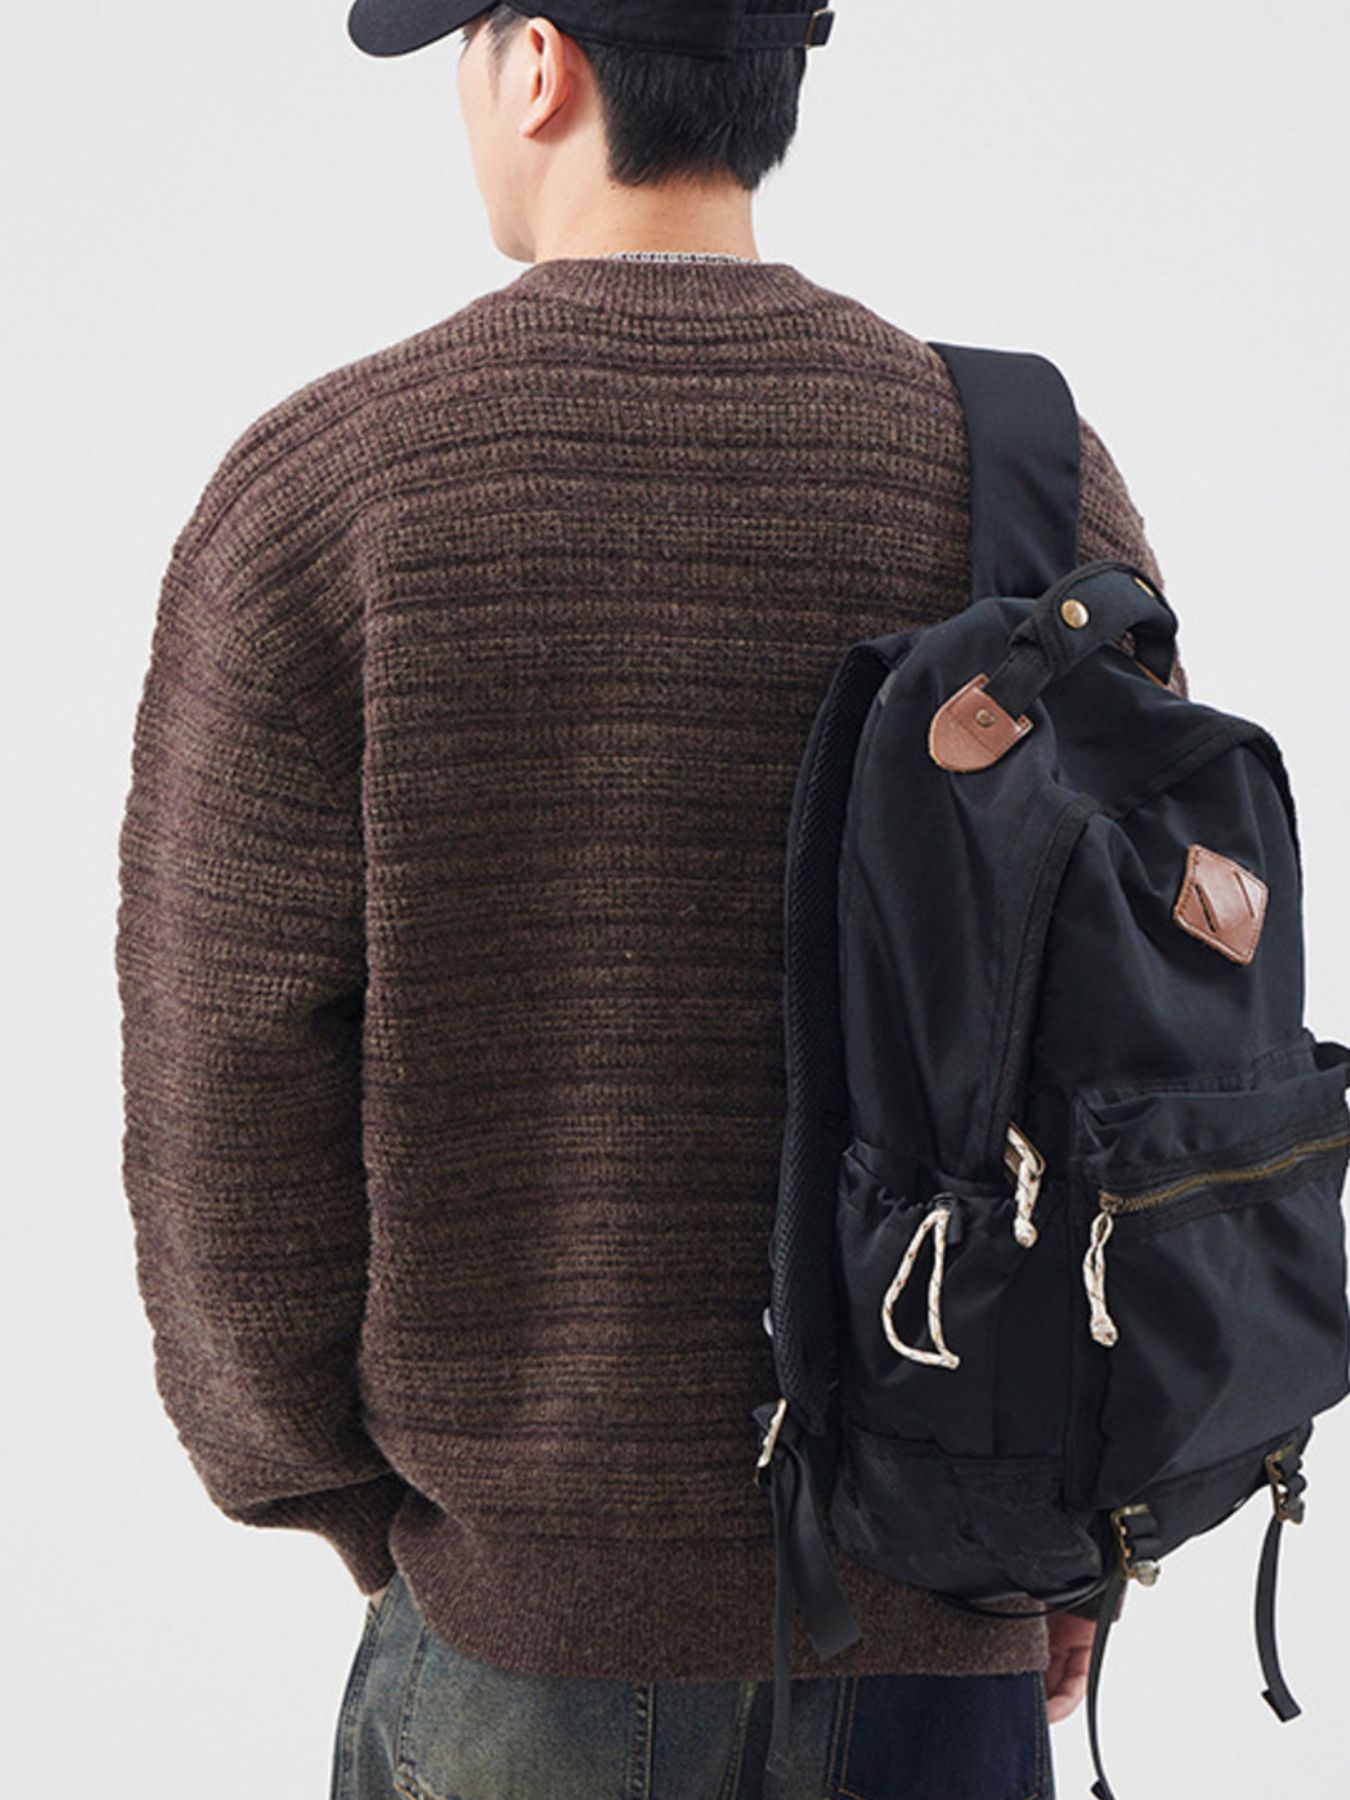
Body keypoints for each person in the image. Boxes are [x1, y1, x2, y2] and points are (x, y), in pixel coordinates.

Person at [115, 5, 1187, 1796]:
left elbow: (222, 1075)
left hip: (518, 1631)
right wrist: (1079, 1517)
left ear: (538, 63)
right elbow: (1140, 1047)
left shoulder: (330, 497)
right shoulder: (1025, 476)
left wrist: (355, 1506)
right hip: (944, 1598)